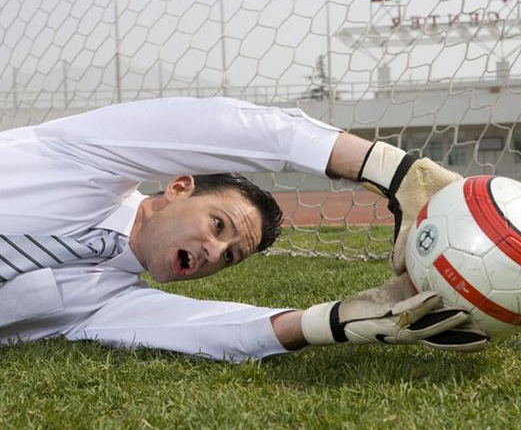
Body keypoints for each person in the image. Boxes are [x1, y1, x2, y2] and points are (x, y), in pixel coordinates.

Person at [0, 97, 489, 362]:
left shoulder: (103, 303)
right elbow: (209, 126)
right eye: (219, 225)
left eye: (230, 256)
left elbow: (208, 330)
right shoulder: (80, 162)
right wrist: (391, 169)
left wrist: (334, 321)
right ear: (179, 187)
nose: (215, 252)